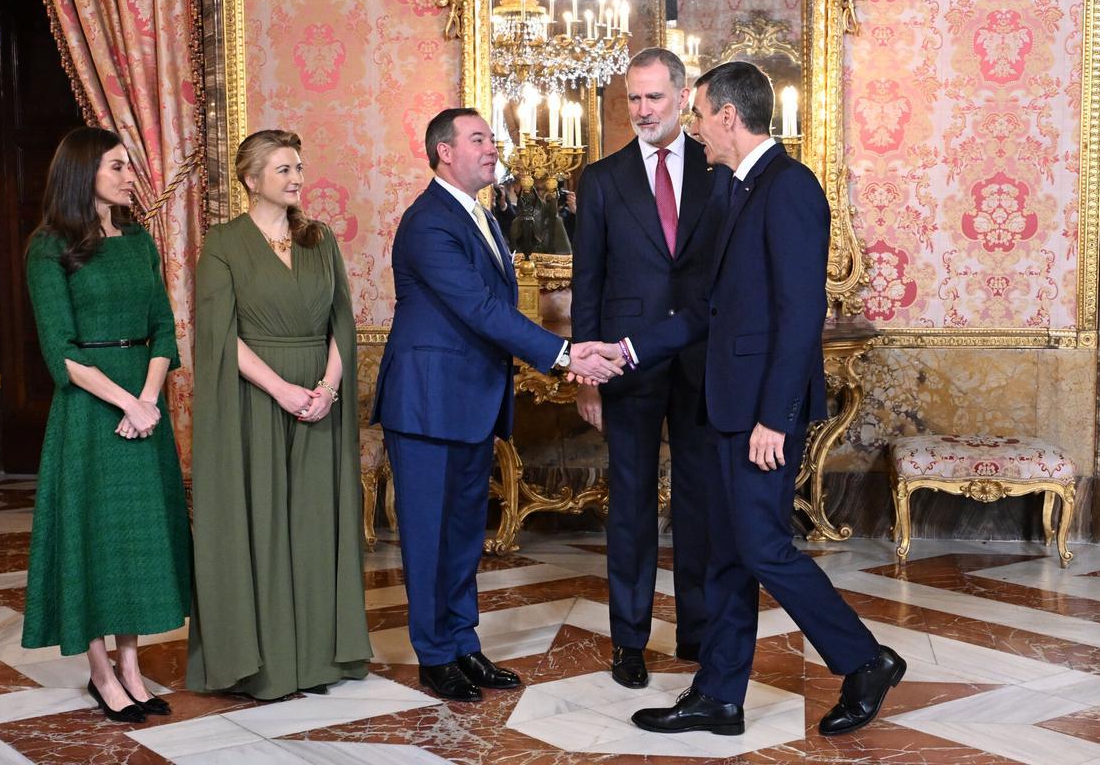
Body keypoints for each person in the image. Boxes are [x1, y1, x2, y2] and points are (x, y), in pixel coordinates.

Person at [607, 62, 906, 736]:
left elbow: (800, 314)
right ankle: (718, 696)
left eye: (699, 114)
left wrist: (775, 416)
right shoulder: (729, 189)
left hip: (762, 415)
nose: (692, 128)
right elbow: (704, 310)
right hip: (724, 405)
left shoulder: (791, 188)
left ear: (727, 118)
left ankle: (865, 660)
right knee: (723, 552)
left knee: (764, 547)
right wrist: (626, 352)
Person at [371, 108, 622, 702]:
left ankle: (462, 644)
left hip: (468, 399)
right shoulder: (428, 221)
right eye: (478, 138)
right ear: (443, 152)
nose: (492, 147)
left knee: (462, 532)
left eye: (491, 138)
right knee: (430, 534)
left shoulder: (480, 214)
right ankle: (435, 656)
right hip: (428, 403)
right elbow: (480, 310)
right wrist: (563, 356)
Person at [188, 129, 371, 700]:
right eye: (285, 168)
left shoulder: (320, 240)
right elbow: (220, 336)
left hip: (321, 399)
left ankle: (320, 659)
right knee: (262, 524)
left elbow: (342, 323)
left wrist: (327, 388)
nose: (297, 177)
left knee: (316, 527)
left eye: (299, 166)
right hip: (256, 402)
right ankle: (265, 665)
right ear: (252, 179)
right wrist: (283, 391)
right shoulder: (222, 243)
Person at [22, 127, 191, 724]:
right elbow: (60, 353)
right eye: (117, 167)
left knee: (135, 539)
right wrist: (126, 402)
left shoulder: (140, 240)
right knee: (92, 537)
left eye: (128, 167)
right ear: (83, 172)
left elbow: (164, 330)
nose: (128, 176)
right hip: (90, 412)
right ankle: (100, 672)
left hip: (141, 407)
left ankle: (132, 665)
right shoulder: (48, 248)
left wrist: (147, 399)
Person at [571, 48, 727, 689]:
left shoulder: (720, 174)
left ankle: (695, 631)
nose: (642, 111)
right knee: (630, 508)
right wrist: (585, 373)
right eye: (633, 99)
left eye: (654, 98)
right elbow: (589, 282)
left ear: (683, 96)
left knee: (699, 503)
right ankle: (629, 641)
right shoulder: (603, 180)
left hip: (698, 362)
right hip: (623, 367)